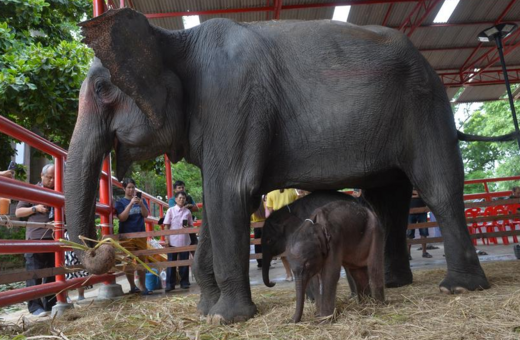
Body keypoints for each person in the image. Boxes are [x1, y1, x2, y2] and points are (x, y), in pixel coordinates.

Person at [15, 164, 56, 317]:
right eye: (49, 177)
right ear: (41, 175)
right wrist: (35, 208)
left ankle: (50, 304)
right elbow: (19, 212)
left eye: (54, 178)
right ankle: (34, 307)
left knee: (52, 273)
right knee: (34, 274)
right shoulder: (32, 191)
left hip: (52, 239)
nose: (52, 181)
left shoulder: (58, 192)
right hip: (35, 239)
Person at [115, 178, 151, 295]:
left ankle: (143, 286)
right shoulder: (120, 203)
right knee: (128, 261)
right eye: (129, 187)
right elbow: (122, 218)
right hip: (126, 235)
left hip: (140, 233)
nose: (131, 190)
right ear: (124, 188)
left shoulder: (142, 200)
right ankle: (132, 286)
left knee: (142, 261)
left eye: (133, 187)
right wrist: (130, 204)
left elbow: (145, 215)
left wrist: (141, 204)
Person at [266, 189, 299, 281]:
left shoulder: (270, 193)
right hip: (292, 223)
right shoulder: (292, 191)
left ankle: (289, 275)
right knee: (294, 248)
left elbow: (270, 211)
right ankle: (296, 273)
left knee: (282, 251)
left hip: (278, 224)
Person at [163, 191, 192, 290]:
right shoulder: (170, 210)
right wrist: (166, 239)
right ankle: (170, 284)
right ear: (175, 199)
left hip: (184, 240)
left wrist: (187, 226)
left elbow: (191, 225)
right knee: (171, 263)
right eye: (180, 198)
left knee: (184, 263)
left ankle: (184, 282)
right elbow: (166, 225)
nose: (182, 199)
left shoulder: (187, 212)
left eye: (183, 198)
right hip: (173, 241)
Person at [168, 180, 199, 250]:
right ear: (175, 190)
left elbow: (196, 209)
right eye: (179, 188)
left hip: (187, 224)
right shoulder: (172, 200)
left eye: (182, 187)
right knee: (176, 248)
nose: (181, 189)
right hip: (176, 226)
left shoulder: (189, 198)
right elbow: (174, 211)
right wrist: (185, 207)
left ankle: (195, 260)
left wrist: (190, 206)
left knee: (193, 245)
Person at [407, 189, 432, 259]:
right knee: (409, 233)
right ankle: (408, 254)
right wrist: (418, 194)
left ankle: (424, 252)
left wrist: (414, 194)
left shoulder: (421, 183)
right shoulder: (409, 183)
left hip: (422, 211)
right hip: (410, 211)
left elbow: (425, 193)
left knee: (424, 232)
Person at [251, 197, 267, 269]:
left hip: (256, 227)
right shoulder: (264, 204)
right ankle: (267, 262)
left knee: (257, 245)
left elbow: (251, 217)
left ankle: (260, 263)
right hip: (264, 225)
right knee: (265, 243)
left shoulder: (253, 207)